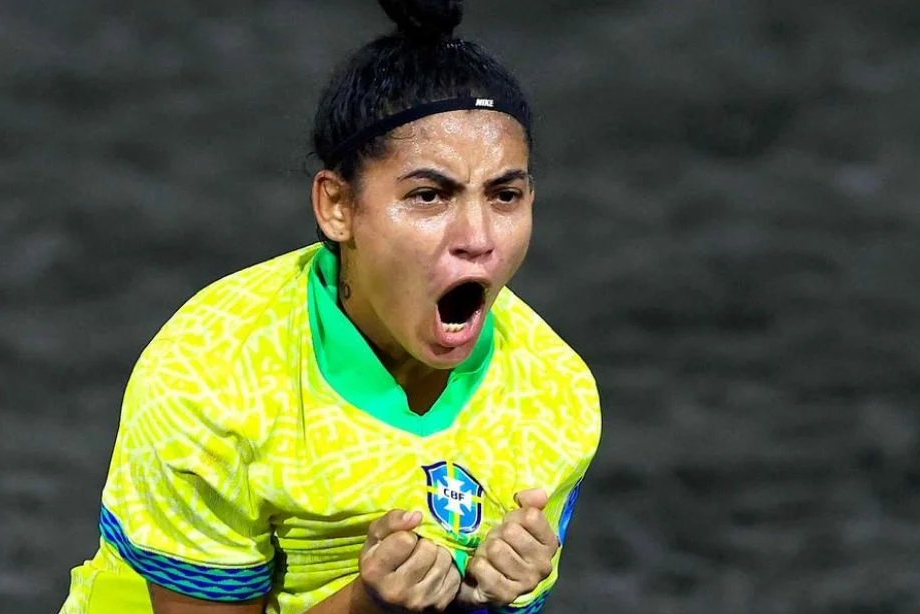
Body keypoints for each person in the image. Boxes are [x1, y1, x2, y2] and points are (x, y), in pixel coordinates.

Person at [59, 1, 602, 612]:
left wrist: (491, 599)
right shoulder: (212, 374)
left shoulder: (555, 397)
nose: (478, 237)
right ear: (337, 207)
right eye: (429, 195)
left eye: (505, 195)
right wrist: (369, 605)